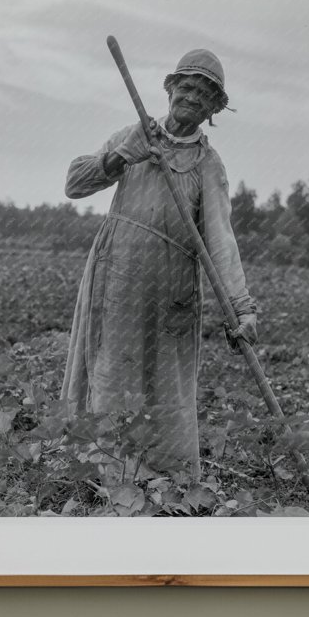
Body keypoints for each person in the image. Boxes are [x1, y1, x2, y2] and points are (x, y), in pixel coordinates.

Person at [60, 48, 257, 483]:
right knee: (111, 367)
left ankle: (162, 477)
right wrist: (120, 157)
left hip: (171, 286)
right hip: (116, 277)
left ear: (214, 109)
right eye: (185, 87)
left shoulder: (208, 164)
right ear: (169, 89)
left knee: (163, 380)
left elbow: (220, 240)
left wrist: (240, 309)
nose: (192, 98)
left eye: (204, 95)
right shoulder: (135, 134)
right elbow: (75, 184)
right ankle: (106, 474)